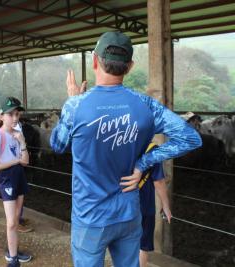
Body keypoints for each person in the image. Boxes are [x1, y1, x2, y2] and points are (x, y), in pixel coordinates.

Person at [50, 31, 202, 267]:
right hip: (129, 214)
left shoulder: (76, 106)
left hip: (90, 217)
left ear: (94, 61)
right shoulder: (147, 105)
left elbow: (57, 145)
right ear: (129, 66)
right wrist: (144, 163)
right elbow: (190, 138)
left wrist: (70, 103)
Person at [0, 97, 32, 267]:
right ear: (1, 116)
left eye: (17, 114)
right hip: (7, 178)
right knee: (12, 222)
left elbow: (26, 161)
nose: (15, 118)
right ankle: (13, 259)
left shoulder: (16, 134)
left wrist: (22, 142)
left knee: (15, 218)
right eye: (10, 114)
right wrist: (16, 161)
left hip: (19, 176)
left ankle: (12, 250)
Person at [138, 143, 172, 267]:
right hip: (144, 205)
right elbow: (158, 181)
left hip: (121, 202)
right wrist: (166, 206)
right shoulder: (151, 148)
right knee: (142, 246)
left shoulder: (119, 143)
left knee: (122, 243)